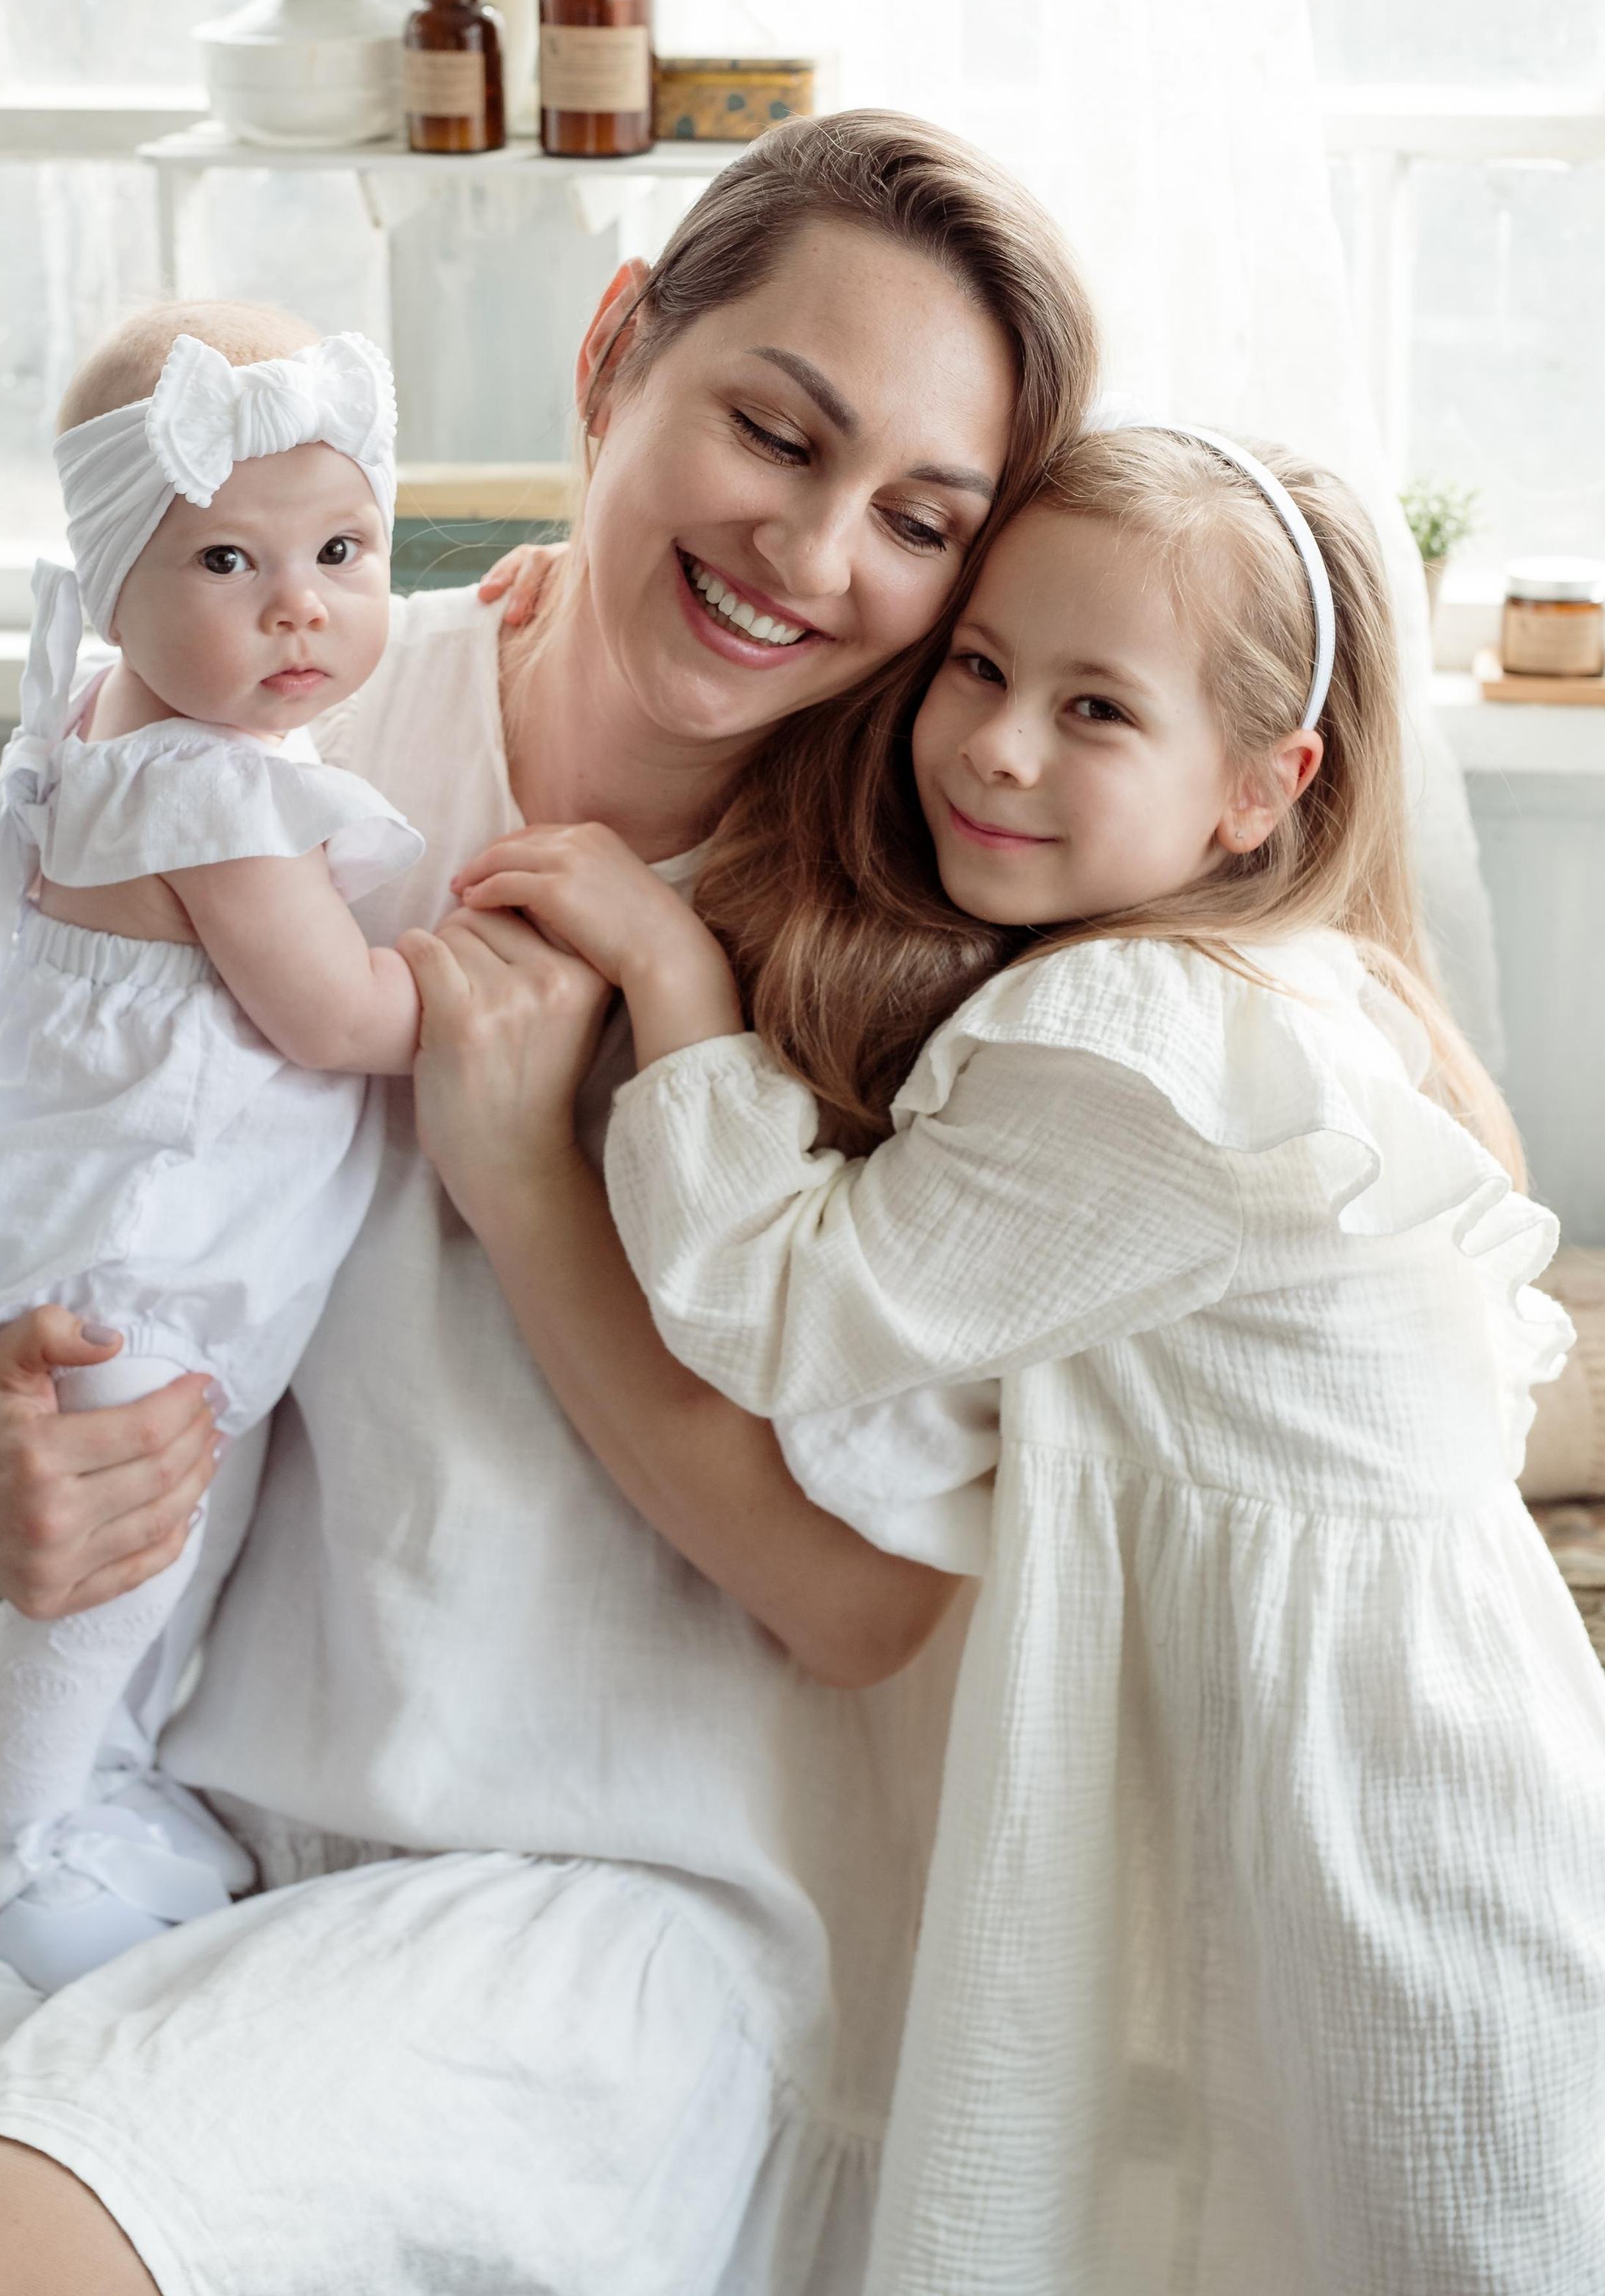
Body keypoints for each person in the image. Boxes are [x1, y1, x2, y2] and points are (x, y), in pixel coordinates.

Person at [0, 111, 1098, 2296]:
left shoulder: (906, 936)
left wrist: (528, 1173)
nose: (818, 553)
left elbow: (866, 1610)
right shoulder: (265, 711)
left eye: (920, 518)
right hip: (173, 1820)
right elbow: (20, 1161)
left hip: (613, 1886)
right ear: (612, 350)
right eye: (772, 428)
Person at [417, 420, 1605, 2295]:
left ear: (1256, 788)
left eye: (1094, 709)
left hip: (1367, 1794)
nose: (993, 742)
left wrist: (672, 975)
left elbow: (794, 1309)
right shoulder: (1254, 979)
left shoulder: (1136, 1039)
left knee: (1426, 2210)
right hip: (1403, 1722)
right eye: (976, 664)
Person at [0, 305, 423, 1992]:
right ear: (115, 584)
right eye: (230, 563)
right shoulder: (203, 790)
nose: (298, 606)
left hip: (96, 1224)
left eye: (339, 549)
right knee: (109, 1579)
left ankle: (101, 1799)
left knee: (161, 1569)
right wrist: (476, 973)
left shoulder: (123, 710)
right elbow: (341, 1020)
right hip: (134, 1273)